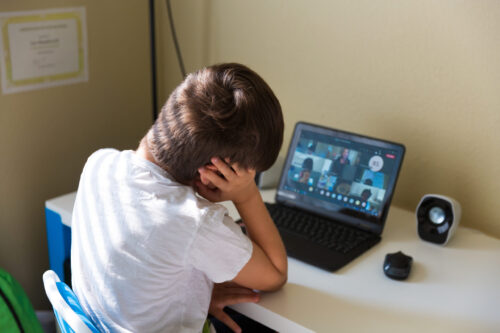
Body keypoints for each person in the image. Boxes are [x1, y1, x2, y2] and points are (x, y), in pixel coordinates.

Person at [70, 63, 288, 333]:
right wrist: (247, 195)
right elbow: (276, 275)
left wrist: (196, 295)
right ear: (214, 171)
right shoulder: (195, 221)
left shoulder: (99, 164)